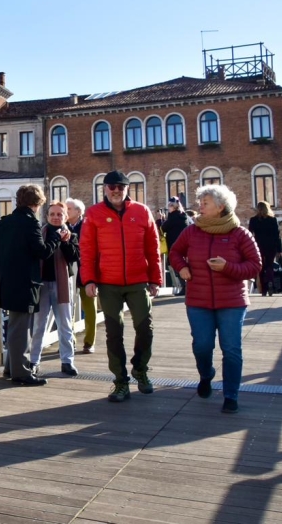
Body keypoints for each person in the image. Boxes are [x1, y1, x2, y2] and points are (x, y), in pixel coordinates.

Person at [169, 185, 261, 414]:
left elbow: (255, 266)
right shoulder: (192, 231)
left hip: (232, 302)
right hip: (198, 301)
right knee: (202, 346)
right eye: (200, 201)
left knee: (231, 349)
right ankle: (206, 374)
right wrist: (182, 269)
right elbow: (174, 253)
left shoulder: (240, 233)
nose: (200, 205)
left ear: (220, 207)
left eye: (205, 202)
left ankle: (231, 395)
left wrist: (228, 267)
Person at [80, 170, 162, 403]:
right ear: (104, 189)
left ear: (127, 189)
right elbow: (87, 250)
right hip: (108, 283)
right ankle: (120, 381)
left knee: (145, 327)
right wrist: (89, 279)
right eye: (111, 186)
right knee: (114, 333)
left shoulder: (141, 211)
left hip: (138, 281)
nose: (116, 190)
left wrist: (156, 279)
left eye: (120, 187)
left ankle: (140, 368)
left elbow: (152, 249)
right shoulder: (94, 214)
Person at [0, 184, 63, 386]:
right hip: (25, 282)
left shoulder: (4, 223)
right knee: (21, 327)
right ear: (37, 204)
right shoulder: (30, 224)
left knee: (14, 325)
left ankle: (10, 367)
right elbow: (42, 252)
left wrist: (0, 270)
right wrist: (56, 237)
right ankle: (21, 372)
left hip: (6, 280)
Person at [29, 201, 80, 376]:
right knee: (38, 326)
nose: (56, 217)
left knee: (64, 324)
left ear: (65, 216)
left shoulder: (71, 236)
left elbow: (74, 258)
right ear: (47, 216)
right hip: (42, 284)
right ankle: (34, 361)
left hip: (62, 285)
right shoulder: (40, 234)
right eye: (52, 214)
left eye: (60, 214)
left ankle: (67, 361)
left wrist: (65, 242)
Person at [66, 199, 95, 353]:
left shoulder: (88, 225)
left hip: (86, 269)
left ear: (78, 211)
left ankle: (89, 342)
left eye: (69, 208)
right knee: (68, 307)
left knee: (89, 307)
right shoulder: (62, 226)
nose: (66, 211)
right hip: (68, 270)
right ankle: (70, 340)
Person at [248, 201, 282, 296]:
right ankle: (270, 282)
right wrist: (279, 249)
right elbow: (277, 236)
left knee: (261, 267)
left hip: (258, 246)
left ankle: (263, 289)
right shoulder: (273, 220)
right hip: (271, 246)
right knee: (270, 265)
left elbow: (249, 235)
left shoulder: (253, 220)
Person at [162, 198, 191, 296]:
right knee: (183, 265)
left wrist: (162, 219)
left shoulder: (173, 217)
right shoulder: (184, 216)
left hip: (174, 245)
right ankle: (187, 287)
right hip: (184, 245)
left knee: (177, 266)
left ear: (174, 207)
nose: (168, 208)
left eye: (170, 206)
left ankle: (184, 288)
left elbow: (163, 227)